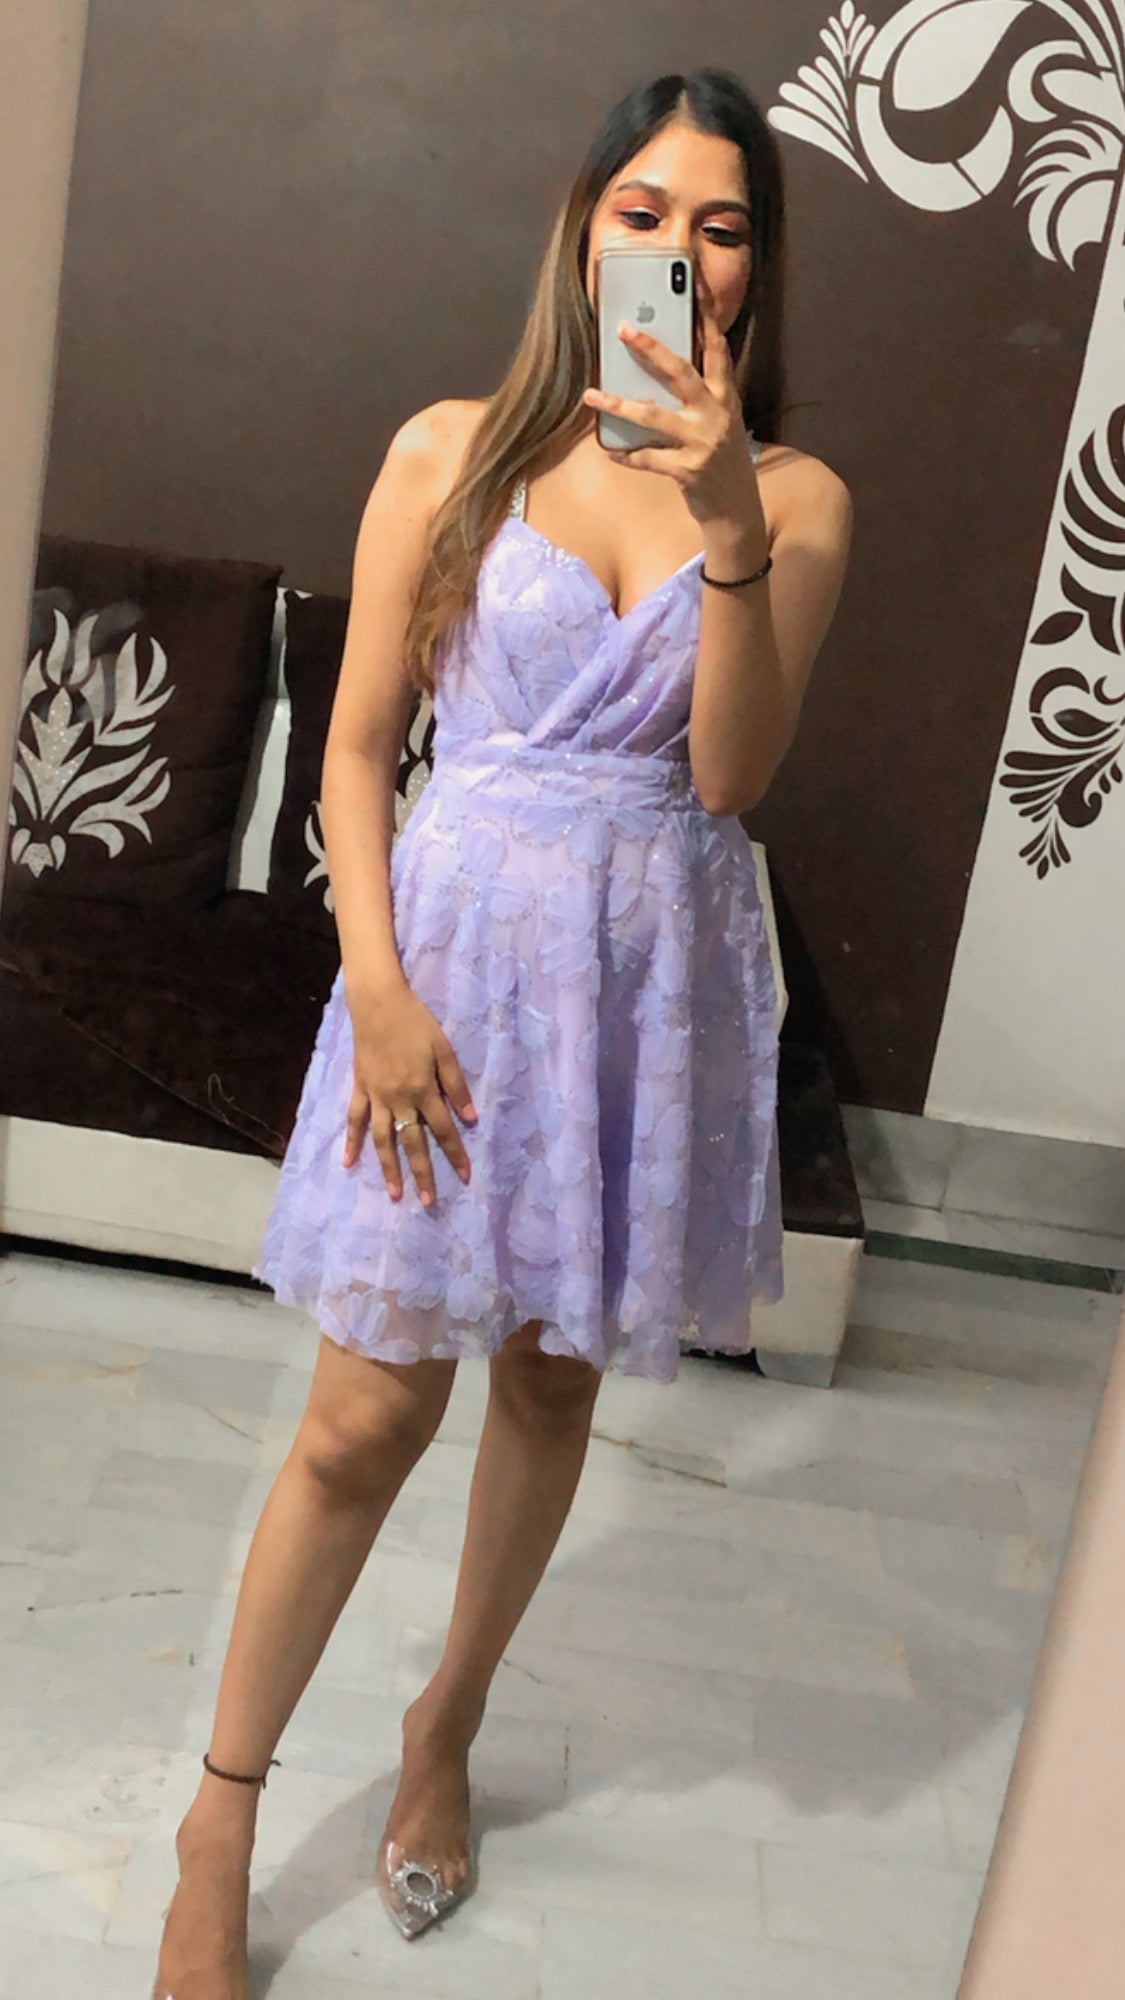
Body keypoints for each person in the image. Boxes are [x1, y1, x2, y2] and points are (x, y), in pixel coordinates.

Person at [152, 63, 852, 1999]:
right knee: (361, 1417)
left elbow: (727, 778)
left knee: (548, 1388)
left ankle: (442, 1727)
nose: (680, 249)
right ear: (580, 229)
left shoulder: (796, 502)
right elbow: (356, 752)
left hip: (643, 989)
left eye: (721, 225)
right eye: (644, 211)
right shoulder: (446, 452)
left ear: (757, 270)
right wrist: (376, 993)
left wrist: (724, 520)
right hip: (445, 982)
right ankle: (220, 1816)